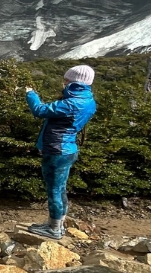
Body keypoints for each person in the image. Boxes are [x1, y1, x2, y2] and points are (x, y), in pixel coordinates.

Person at [24, 65, 97, 240]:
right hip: (68, 149)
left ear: (73, 81)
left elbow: (40, 110)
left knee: (54, 190)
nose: (63, 82)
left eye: (66, 80)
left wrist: (30, 94)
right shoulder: (88, 100)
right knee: (61, 188)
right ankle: (57, 223)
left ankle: (54, 229)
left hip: (57, 150)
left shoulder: (71, 103)